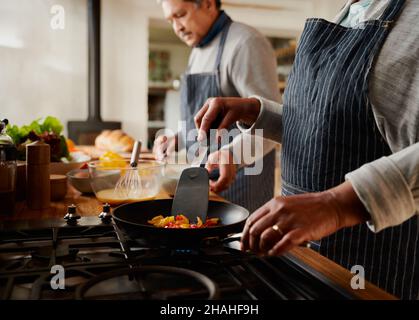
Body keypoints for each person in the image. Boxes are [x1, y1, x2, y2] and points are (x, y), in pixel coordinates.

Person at [194, 0, 419, 299]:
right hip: (306, 259)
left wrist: (336, 204)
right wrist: (257, 112)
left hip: (374, 266)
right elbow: (334, 126)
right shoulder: (353, 11)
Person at [153, 0, 281, 213]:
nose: (177, 27)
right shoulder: (197, 50)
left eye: (181, 15)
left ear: (208, 4)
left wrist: (233, 156)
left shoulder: (246, 43)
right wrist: (178, 139)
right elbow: (206, 123)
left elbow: (272, 125)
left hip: (243, 182)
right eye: (171, 20)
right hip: (203, 179)